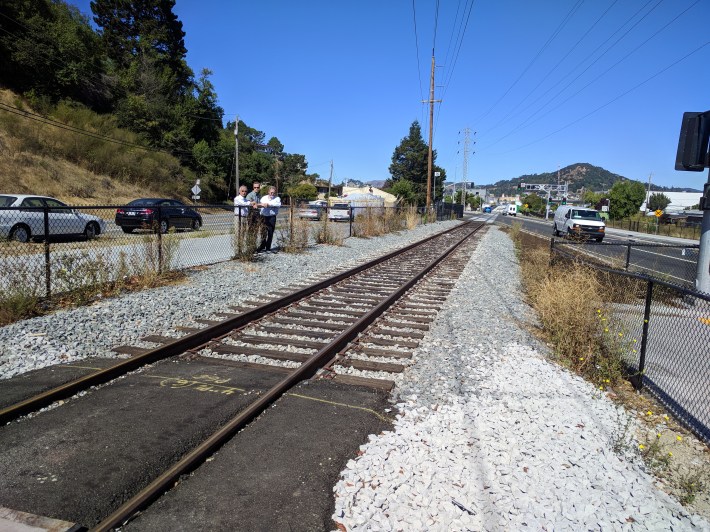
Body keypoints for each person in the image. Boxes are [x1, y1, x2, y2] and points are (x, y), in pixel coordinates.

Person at [257, 186, 281, 253]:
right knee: (262, 232)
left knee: (270, 233)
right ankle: (262, 246)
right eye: (271, 192)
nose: (272, 194)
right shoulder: (264, 198)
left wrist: (268, 204)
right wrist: (261, 205)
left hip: (271, 217)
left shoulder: (277, 198)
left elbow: (278, 204)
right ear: (268, 192)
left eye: (273, 193)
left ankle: (268, 248)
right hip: (263, 217)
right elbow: (261, 204)